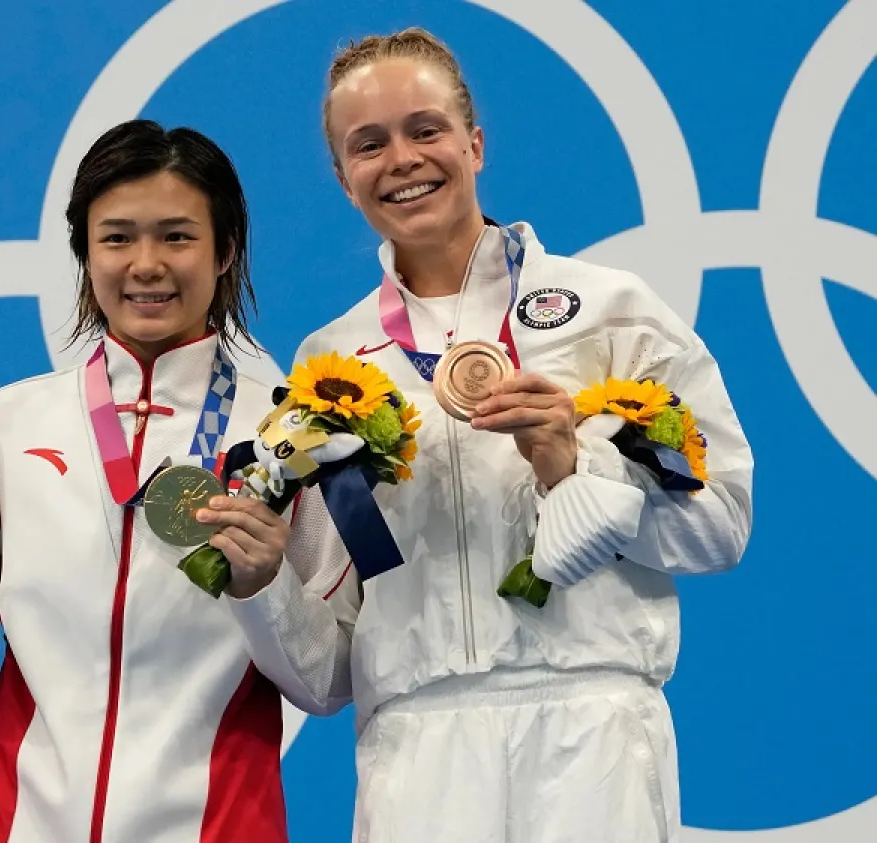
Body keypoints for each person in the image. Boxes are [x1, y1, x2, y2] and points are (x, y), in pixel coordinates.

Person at [228, 28, 754, 843]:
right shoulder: (330, 364)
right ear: (343, 178)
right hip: (418, 746)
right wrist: (262, 588)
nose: (402, 158)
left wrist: (579, 467)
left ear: (474, 142)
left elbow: (719, 527)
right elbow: (333, 657)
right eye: (369, 144)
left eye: (425, 129)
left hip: (594, 729)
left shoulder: (612, 308)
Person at [0, 119, 357, 843]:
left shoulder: (306, 433)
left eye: (177, 236)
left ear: (226, 249)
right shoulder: (4, 421)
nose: (145, 264)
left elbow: (330, 682)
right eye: (116, 237)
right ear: (84, 252)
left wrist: (266, 585)